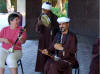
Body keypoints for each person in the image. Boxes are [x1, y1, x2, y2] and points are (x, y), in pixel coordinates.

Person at [35, 2, 59, 72]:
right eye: (42, 9)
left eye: (44, 9)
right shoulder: (40, 16)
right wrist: (39, 24)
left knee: (50, 54)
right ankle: (42, 70)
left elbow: (58, 30)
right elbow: (37, 29)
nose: (43, 11)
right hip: (43, 39)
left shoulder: (54, 17)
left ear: (48, 10)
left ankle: (51, 70)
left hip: (52, 39)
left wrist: (50, 27)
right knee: (42, 55)